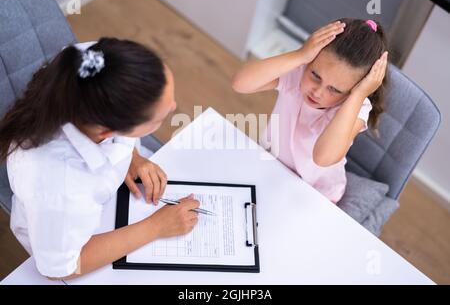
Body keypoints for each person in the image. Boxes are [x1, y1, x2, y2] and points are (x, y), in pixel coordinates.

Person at [0, 38, 199, 279]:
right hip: (64, 239)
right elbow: (60, 268)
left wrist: (132, 156)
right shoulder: (58, 187)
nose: (174, 106)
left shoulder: (93, 64)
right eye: (158, 119)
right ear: (107, 131)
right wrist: (155, 227)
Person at [232, 18, 388, 203]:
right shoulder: (298, 74)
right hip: (272, 166)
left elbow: (323, 157)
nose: (318, 92)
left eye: (335, 89)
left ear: (352, 91)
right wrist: (300, 55)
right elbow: (240, 83)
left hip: (316, 192)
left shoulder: (357, 107)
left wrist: (359, 95)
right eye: (315, 75)